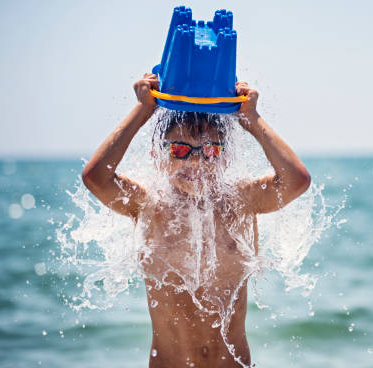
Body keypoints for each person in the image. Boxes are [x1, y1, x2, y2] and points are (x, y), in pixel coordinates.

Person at [81, 73, 311, 367]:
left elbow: (297, 180)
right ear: (157, 154)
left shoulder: (241, 201)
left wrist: (252, 119)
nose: (195, 162)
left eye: (211, 151)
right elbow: (96, 177)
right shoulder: (149, 204)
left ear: (225, 156)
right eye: (179, 150)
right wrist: (142, 111)